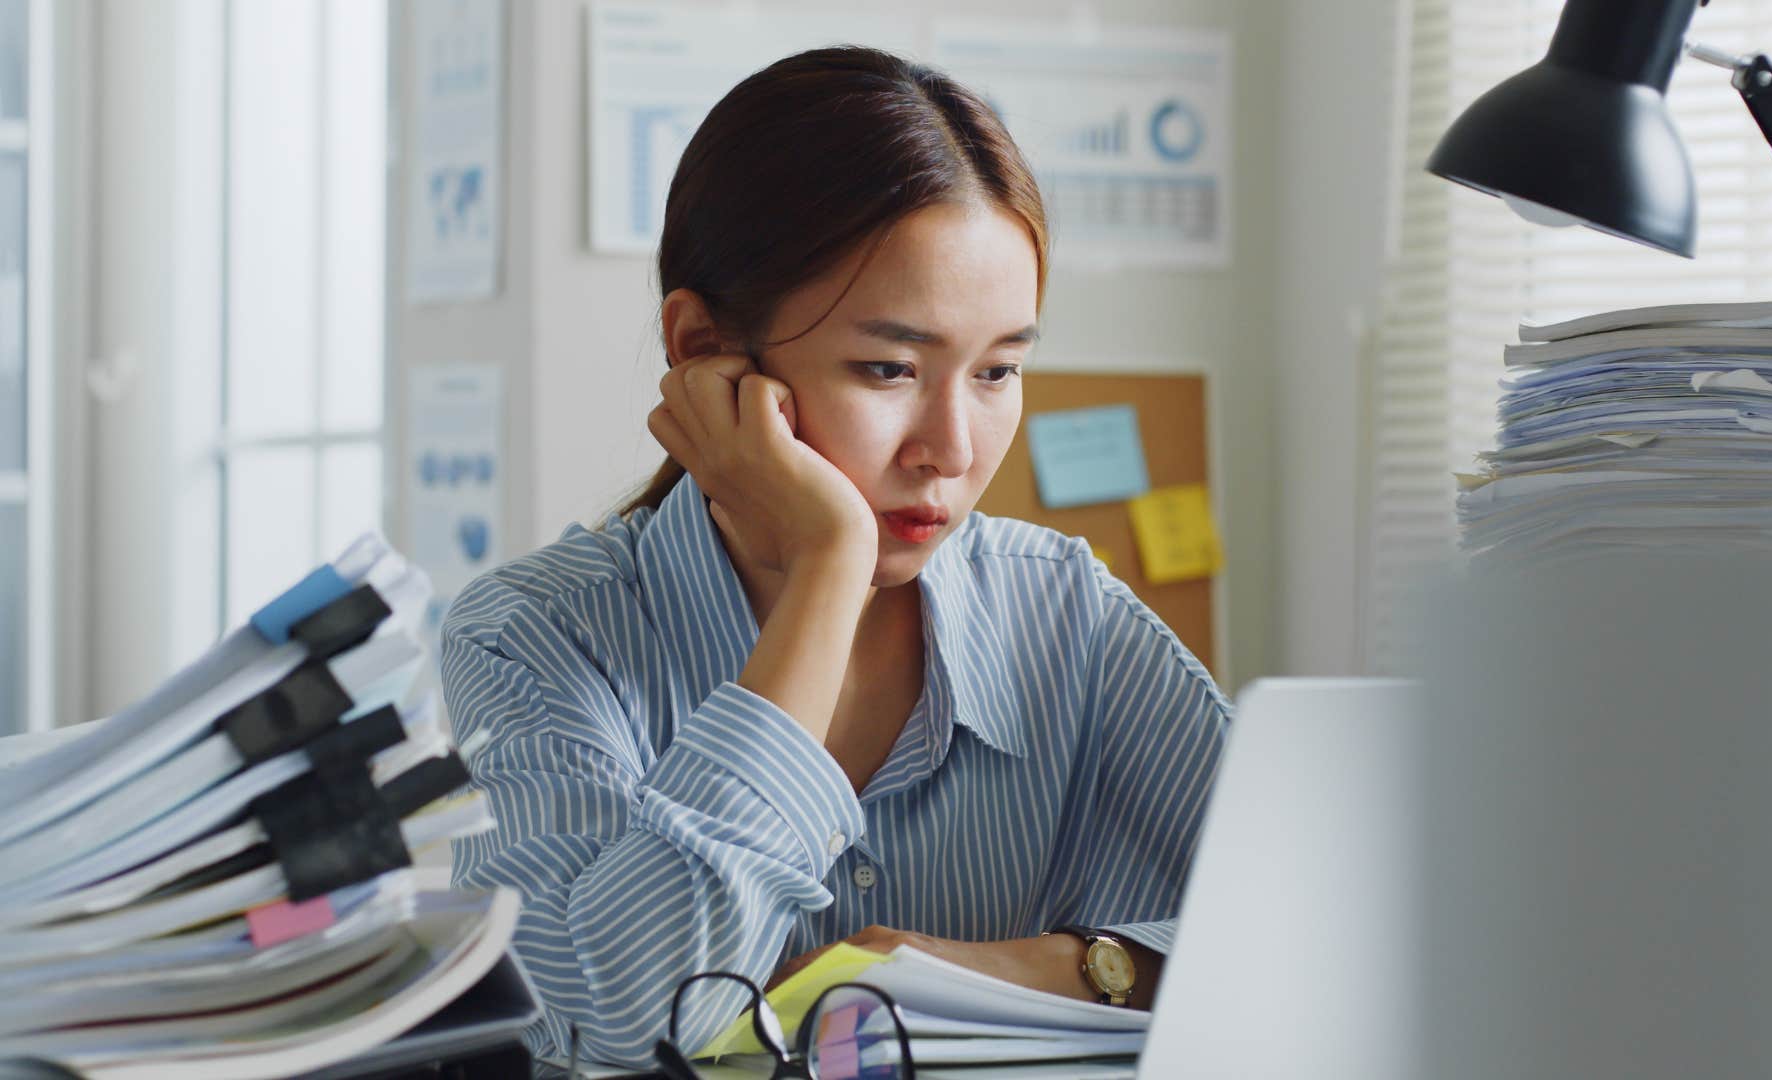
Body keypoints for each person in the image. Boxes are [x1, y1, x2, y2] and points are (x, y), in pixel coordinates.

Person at [441, 45, 1231, 1067]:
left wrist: (1048, 967)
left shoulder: (1065, 612)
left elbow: (1328, 932)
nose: (951, 447)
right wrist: (828, 566)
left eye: (998, 371)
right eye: (889, 368)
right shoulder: (539, 635)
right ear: (701, 350)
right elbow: (619, 1019)